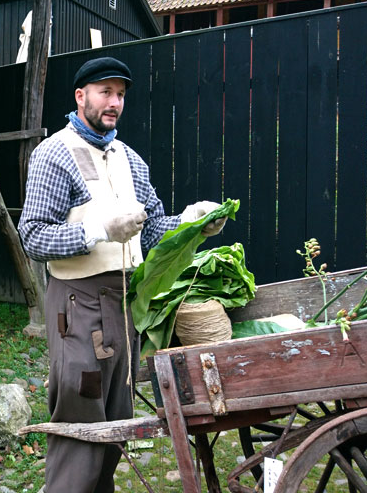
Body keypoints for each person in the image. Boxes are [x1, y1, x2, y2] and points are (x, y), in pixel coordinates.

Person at [17, 56, 226, 493]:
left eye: (120, 95)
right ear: (81, 96)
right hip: (77, 309)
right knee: (81, 420)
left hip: (125, 305)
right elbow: (33, 237)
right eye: (105, 92)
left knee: (116, 420)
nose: (114, 103)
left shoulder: (129, 159)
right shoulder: (55, 154)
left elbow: (152, 230)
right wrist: (98, 230)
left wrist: (193, 223)